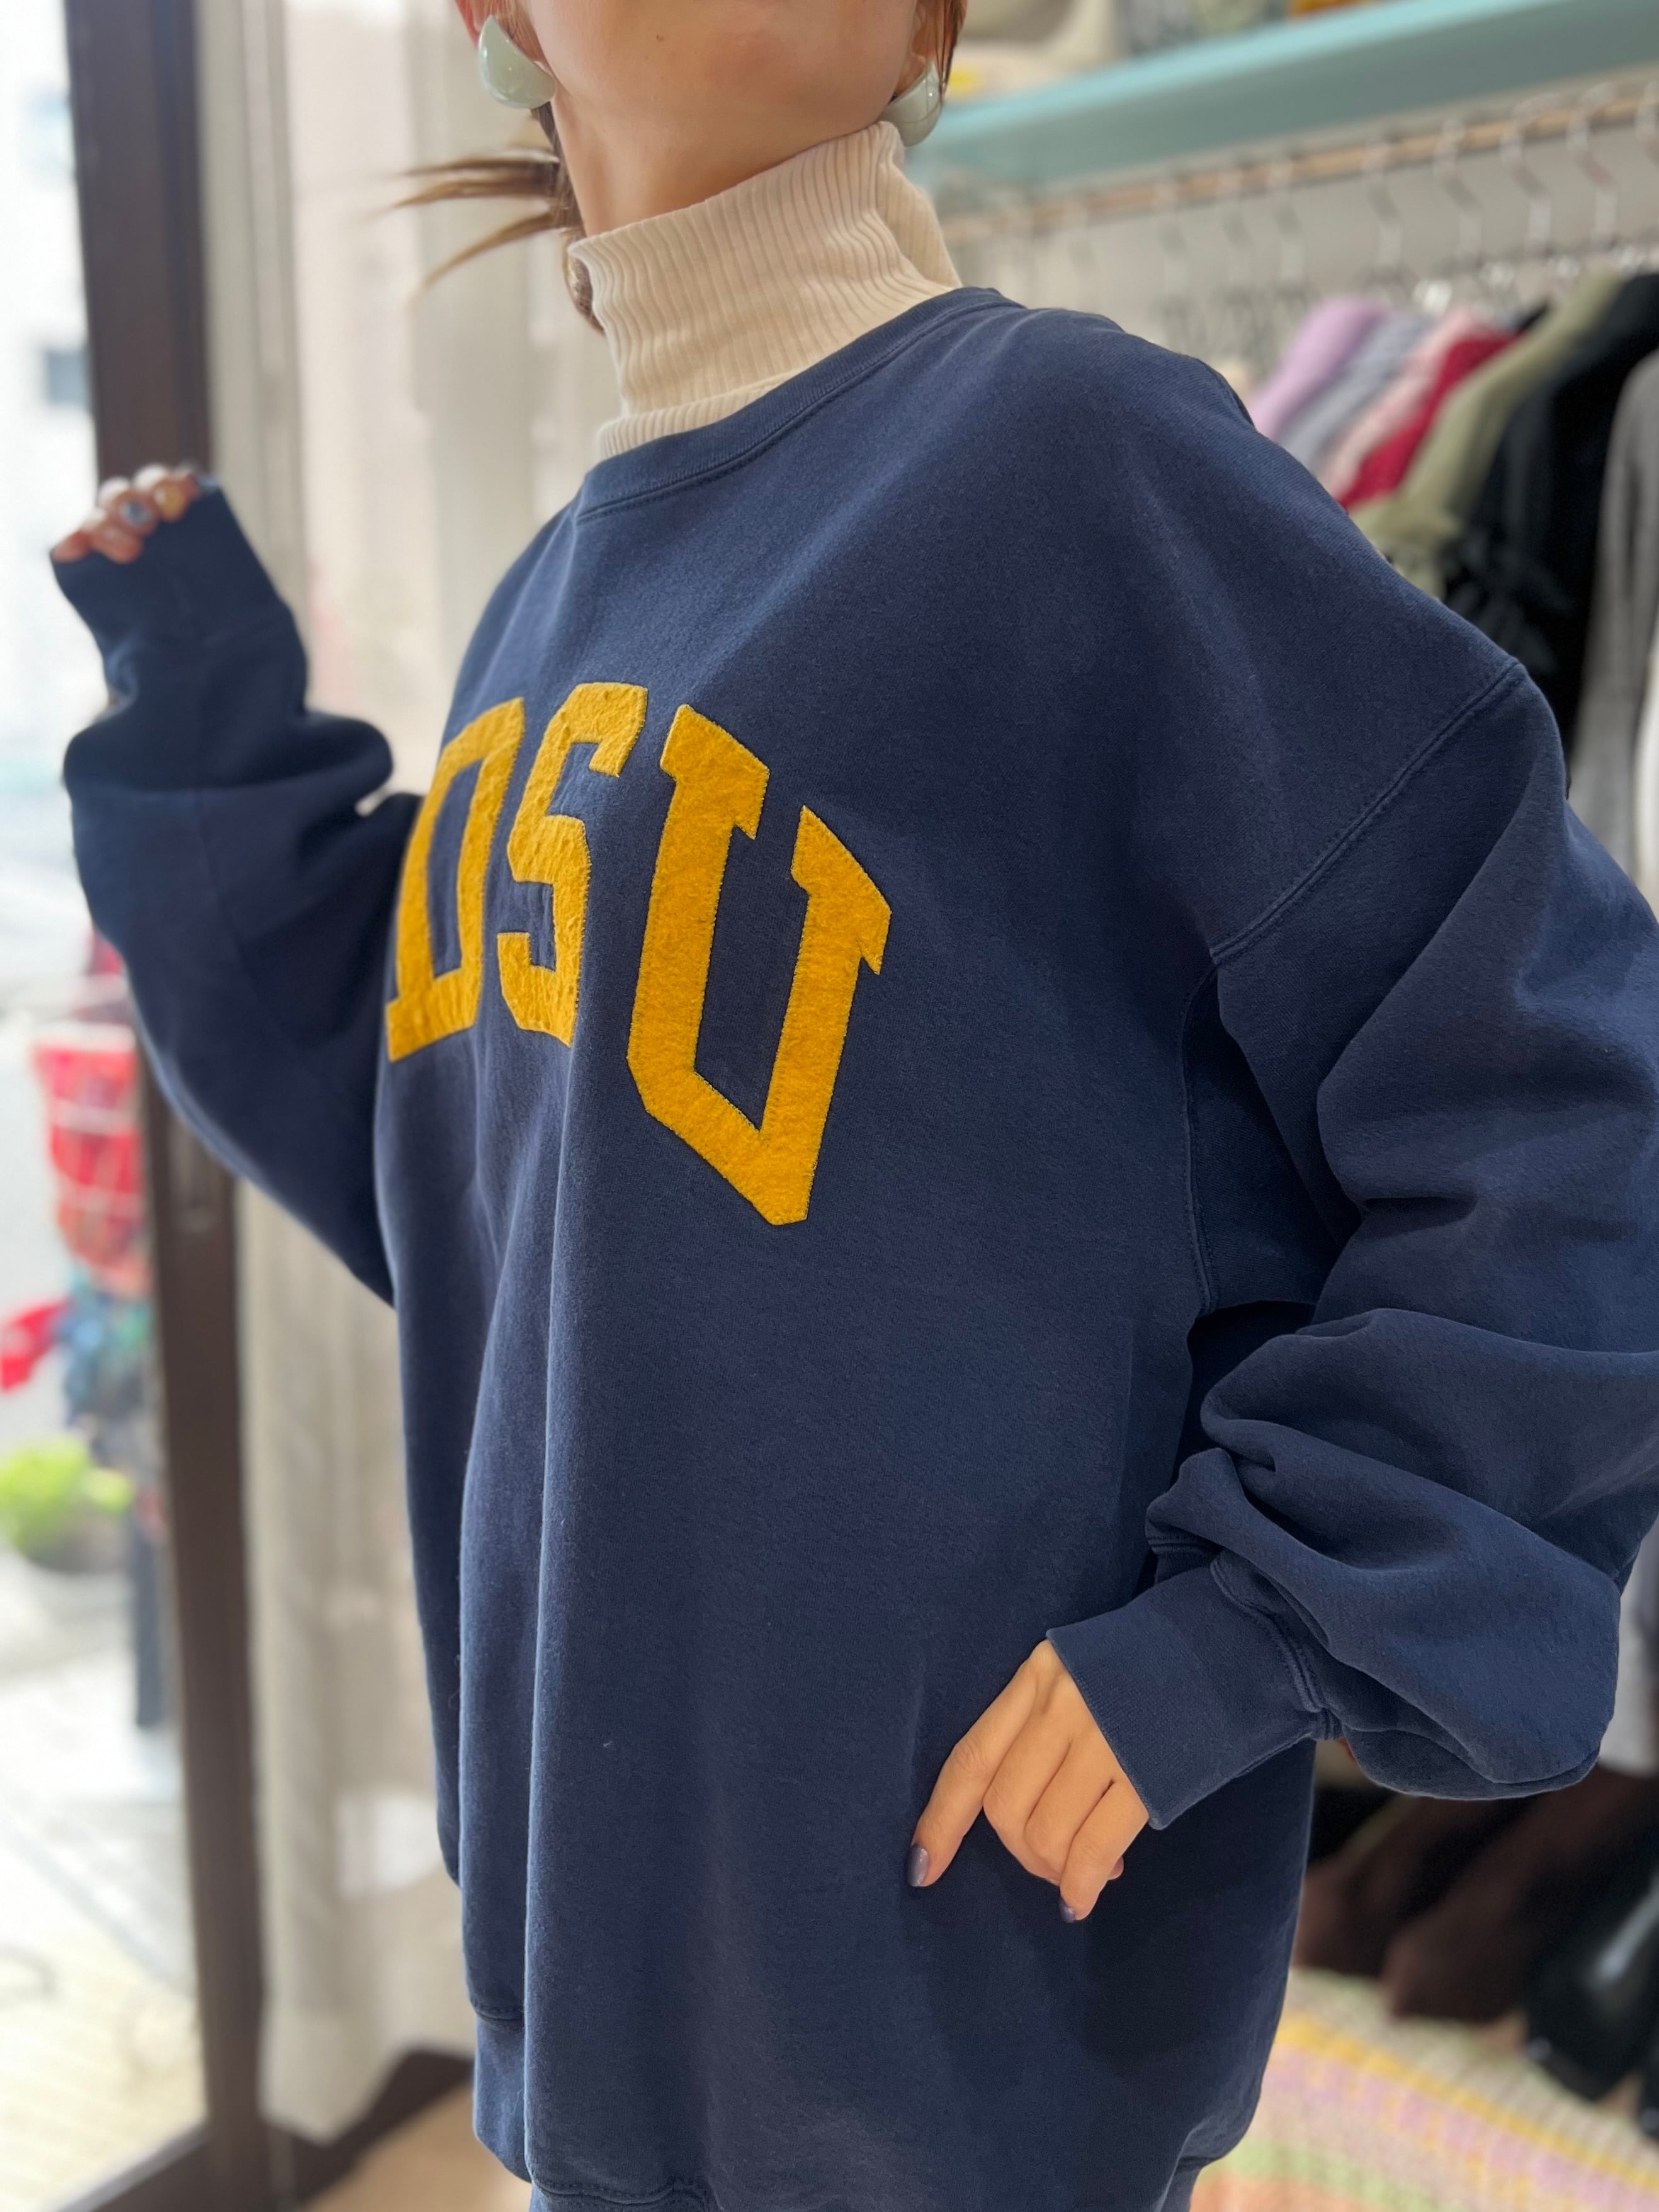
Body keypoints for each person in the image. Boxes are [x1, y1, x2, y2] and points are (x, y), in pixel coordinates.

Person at [49, 4, 1659, 2206]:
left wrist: (1257, 1618)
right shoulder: (557, 600)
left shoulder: (1075, 459)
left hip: (946, 2001)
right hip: (607, 1959)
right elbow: (466, 1162)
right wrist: (201, 716)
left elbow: (1557, 1090)